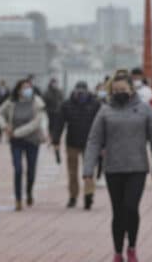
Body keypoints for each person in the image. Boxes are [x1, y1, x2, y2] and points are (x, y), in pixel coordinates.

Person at [83, 70, 152, 262]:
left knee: (131, 207)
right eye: (116, 89)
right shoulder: (105, 111)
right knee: (118, 212)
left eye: (123, 89)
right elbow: (94, 141)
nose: (119, 92)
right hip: (113, 169)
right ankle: (118, 251)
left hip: (137, 168)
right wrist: (88, 169)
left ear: (131, 89)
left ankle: (132, 247)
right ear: (111, 91)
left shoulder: (144, 109)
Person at [0, 79, 47, 211]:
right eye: (24, 87)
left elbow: (36, 123)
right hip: (16, 142)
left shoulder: (37, 103)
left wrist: (17, 132)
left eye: (29, 87)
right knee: (18, 169)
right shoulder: (11, 102)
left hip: (32, 140)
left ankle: (29, 192)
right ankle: (18, 199)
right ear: (18, 89)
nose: (27, 90)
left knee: (31, 171)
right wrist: (4, 126)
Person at [53, 81, 102, 210]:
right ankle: (73, 196)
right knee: (72, 172)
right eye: (78, 90)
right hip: (72, 143)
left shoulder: (95, 104)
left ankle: (88, 195)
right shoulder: (66, 104)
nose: (80, 93)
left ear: (87, 91)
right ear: (74, 91)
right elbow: (59, 123)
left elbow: (102, 124)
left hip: (90, 143)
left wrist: (103, 143)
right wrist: (55, 140)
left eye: (83, 90)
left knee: (89, 171)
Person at [43, 78, 64, 143]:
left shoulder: (59, 91)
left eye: (56, 83)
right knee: (51, 123)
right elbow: (44, 102)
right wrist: (47, 109)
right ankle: (51, 135)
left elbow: (61, 100)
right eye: (53, 83)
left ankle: (55, 135)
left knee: (56, 124)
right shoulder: (47, 92)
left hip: (58, 111)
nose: (55, 84)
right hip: (50, 111)